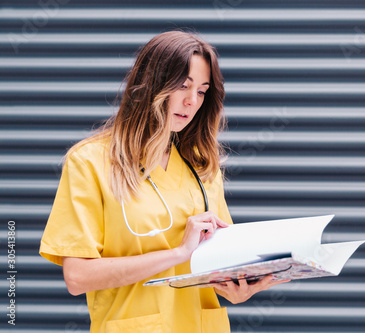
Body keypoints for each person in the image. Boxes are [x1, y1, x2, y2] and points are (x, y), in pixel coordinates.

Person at [39, 30, 288, 333]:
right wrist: (177, 254)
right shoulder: (91, 162)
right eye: (183, 86)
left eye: (201, 91)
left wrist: (237, 286)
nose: (191, 101)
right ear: (151, 85)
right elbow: (77, 277)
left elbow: (218, 264)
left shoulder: (201, 165)